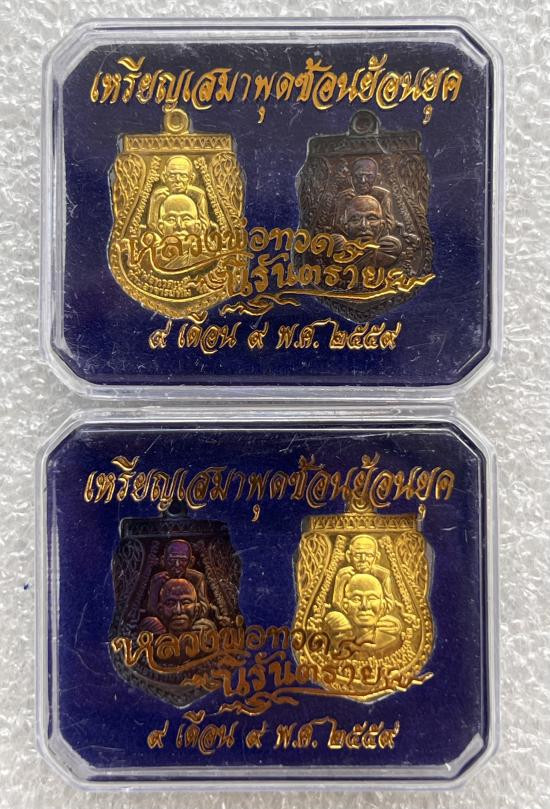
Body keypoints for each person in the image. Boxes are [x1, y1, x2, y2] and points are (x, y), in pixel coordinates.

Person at [324, 574, 402, 655]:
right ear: (345, 605)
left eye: (372, 598)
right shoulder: (338, 638)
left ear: (383, 605)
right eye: (356, 599)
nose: (364, 605)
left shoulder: (388, 640)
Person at [146, 539, 210, 619]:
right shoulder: (157, 579)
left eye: (182, 560)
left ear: (191, 561)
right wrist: (155, 588)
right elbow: (151, 611)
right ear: (163, 560)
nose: (177, 564)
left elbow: (204, 609)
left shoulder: (197, 578)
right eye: (172, 560)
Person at [332, 534, 395, 612]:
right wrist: (339, 582)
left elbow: (389, 606)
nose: (363, 559)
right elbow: (337, 605)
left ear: (376, 557)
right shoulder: (343, 574)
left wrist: (385, 579)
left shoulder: (382, 575)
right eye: (358, 555)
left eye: (369, 555)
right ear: (349, 556)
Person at [336, 195, 402, 269]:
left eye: (371, 218)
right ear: (346, 226)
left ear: (382, 225)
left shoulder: (389, 249)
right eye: (355, 219)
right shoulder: (336, 248)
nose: (364, 225)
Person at [147, 155, 210, 233]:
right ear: (164, 177)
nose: (178, 180)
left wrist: (201, 199)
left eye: (183, 176)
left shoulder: (198, 195)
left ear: (191, 179)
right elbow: (153, 230)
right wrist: (154, 205)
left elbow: (204, 229)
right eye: (172, 176)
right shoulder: (158, 196)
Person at [334, 157, 396, 231]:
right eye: (358, 176)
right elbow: (336, 228)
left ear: (377, 178)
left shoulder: (383, 195)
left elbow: (389, 226)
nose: (363, 180)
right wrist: (340, 208)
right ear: (351, 178)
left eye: (369, 176)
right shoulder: (344, 197)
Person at [140, 578, 214, 635]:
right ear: (160, 610)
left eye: (186, 602)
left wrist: (212, 637)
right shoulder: (151, 630)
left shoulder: (205, 630)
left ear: (196, 609)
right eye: (170, 603)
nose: (178, 610)